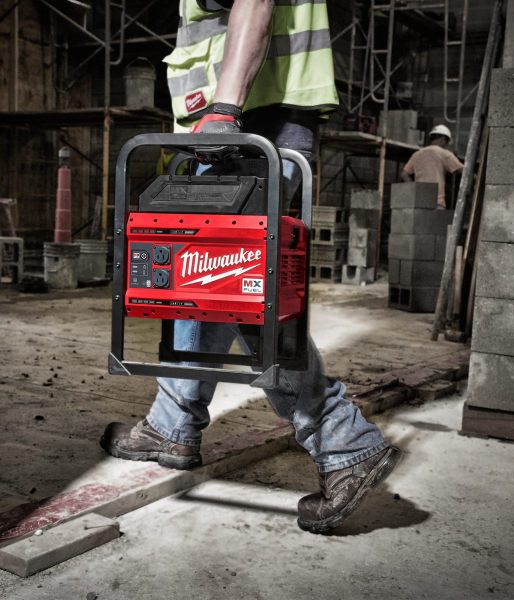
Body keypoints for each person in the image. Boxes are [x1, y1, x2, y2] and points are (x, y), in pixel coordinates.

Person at [100, 0, 402, 534]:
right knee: (204, 278)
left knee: (238, 284)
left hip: (249, 118)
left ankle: (345, 442)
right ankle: (172, 424)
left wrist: (223, 107)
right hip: (242, 117)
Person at [401, 124, 464, 208]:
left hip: (419, 203)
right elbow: (464, 171)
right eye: (447, 142)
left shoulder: (416, 154)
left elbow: (404, 174)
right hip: (436, 203)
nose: (447, 145)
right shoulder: (445, 154)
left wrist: (415, 192)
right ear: (443, 139)